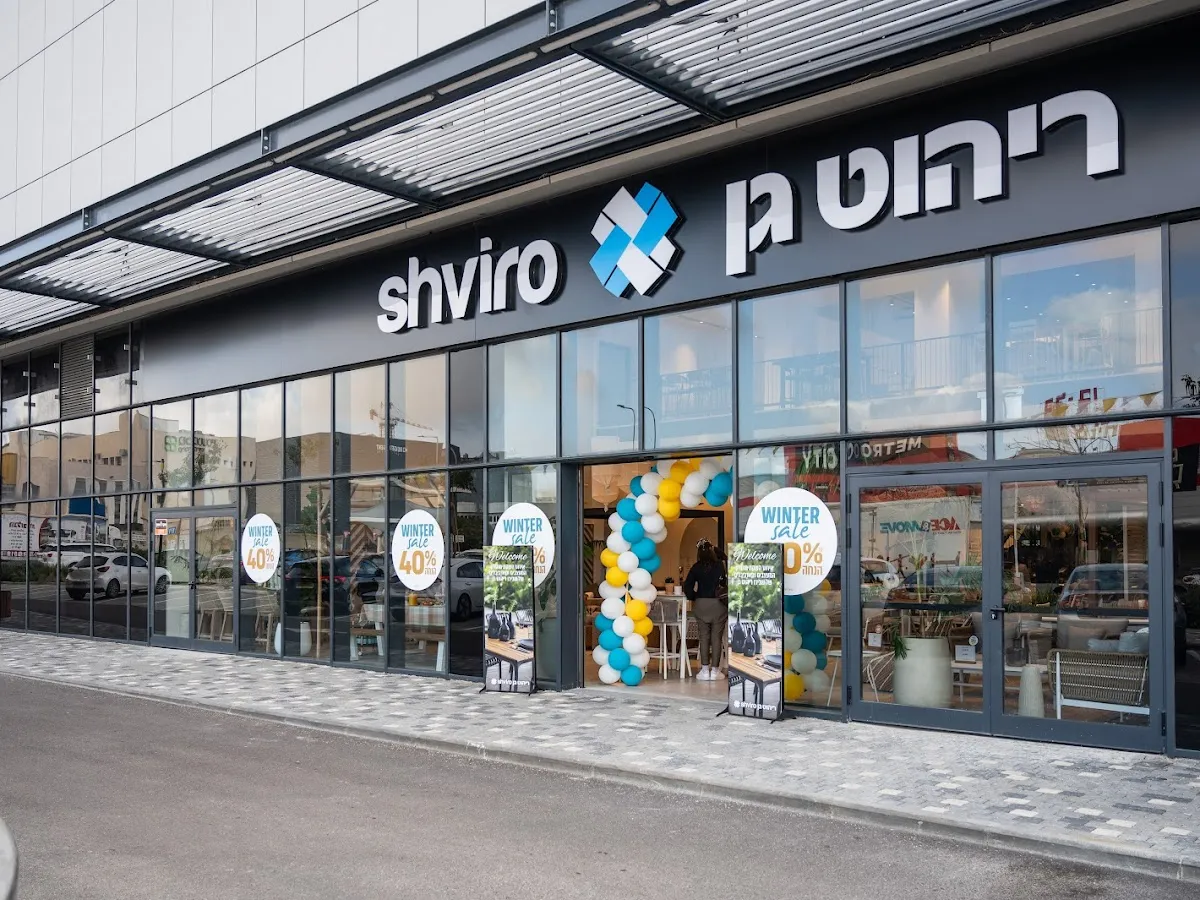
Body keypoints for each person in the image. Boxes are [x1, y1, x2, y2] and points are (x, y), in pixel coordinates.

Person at [684, 539, 728, 681]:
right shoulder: (720, 566)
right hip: (718, 605)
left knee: (703, 637)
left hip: (701, 604)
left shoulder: (696, 567)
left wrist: (694, 597)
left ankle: (704, 670)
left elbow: (687, 586)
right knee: (716, 638)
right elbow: (725, 562)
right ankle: (715, 671)